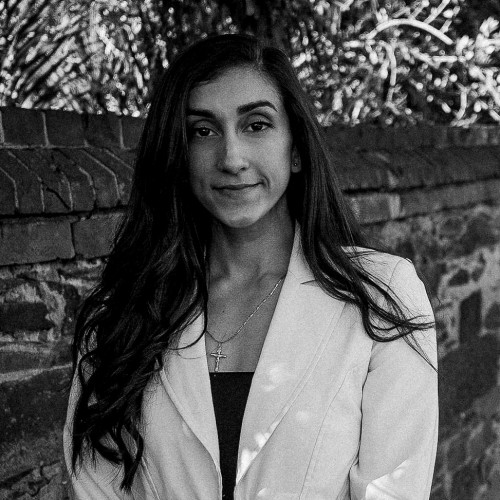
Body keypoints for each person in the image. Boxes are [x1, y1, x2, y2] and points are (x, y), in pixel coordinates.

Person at [64, 33, 438, 500]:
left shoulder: (381, 295)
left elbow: (394, 489)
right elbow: (96, 487)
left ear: (295, 149)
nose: (231, 158)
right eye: (202, 131)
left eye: (256, 125)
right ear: (178, 155)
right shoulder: (124, 311)